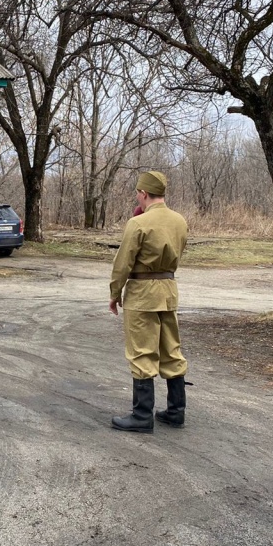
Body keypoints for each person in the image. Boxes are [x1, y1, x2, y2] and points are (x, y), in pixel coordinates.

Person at [109, 171, 189, 433]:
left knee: (142, 351)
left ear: (143, 193)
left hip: (142, 293)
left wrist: (114, 293)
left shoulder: (139, 223)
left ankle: (142, 416)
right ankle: (176, 411)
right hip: (168, 290)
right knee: (171, 349)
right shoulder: (179, 221)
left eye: (137, 193)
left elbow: (123, 263)